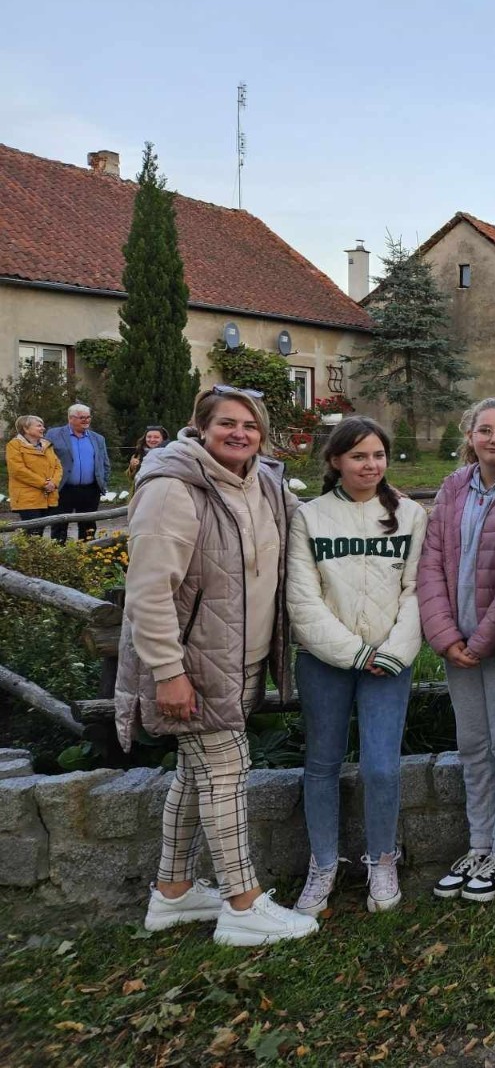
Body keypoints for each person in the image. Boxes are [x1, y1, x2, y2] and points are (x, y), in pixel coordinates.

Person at [114, 384, 317, 946]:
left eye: (250, 425)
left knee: (193, 773)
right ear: (200, 426)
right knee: (227, 773)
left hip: (240, 659)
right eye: (227, 423)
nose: (239, 434)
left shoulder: (265, 481)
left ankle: (172, 893)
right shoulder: (173, 488)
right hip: (192, 664)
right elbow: (150, 591)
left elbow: (311, 525)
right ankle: (243, 905)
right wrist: (167, 672)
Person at [286, 417, 428, 917]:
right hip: (326, 660)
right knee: (321, 764)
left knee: (382, 767)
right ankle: (323, 863)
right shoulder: (310, 517)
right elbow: (302, 599)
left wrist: (393, 650)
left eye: (378, 456)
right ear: (335, 462)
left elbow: (418, 589)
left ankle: (382, 858)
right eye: (359, 456)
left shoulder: (410, 515)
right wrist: (352, 652)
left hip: (389, 660)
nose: (370, 465)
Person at [417, 397, 495, 904]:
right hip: (457, 644)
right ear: (470, 436)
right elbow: (431, 563)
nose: (494, 439)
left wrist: (484, 636)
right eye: (484, 430)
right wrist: (445, 634)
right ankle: (479, 842)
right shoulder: (452, 488)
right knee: (472, 746)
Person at [45, 403, 110, 542]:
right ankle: (58, 556)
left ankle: (87, 555)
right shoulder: (53, 434)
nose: (86, 420)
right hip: (63, 489)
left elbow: (104, 463)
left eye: (88, 417)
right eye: (82, 417)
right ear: (70, 418)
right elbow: (44, 461)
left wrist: (103, 482)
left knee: (88, 526)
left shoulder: (98, 438)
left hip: (90, 490)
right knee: (59, 524)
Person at [6, 415, 62, 523]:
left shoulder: (47, 445)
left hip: (49, 497)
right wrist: (44, 484)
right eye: (39, 426)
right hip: (27, 500)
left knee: (39, 533)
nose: (43, 428)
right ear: (26, 429)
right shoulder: (14, 445)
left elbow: (57, 466)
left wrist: (54, 483)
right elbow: (18, 470)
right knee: (32, 533)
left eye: (43, 426)